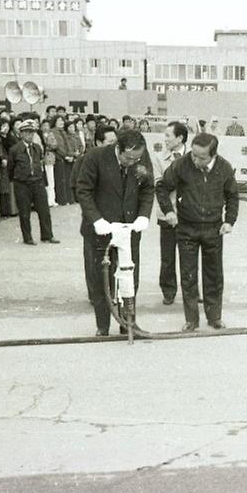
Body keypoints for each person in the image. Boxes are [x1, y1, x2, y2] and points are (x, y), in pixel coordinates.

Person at [156, 133, 238, 331]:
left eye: (201, 158)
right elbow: (162, 187)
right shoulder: (181, 164)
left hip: (213, 229)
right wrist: (168, 210)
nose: (195, 160)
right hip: (186, 228)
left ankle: (214, 317)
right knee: (188, 275)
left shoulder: (224, 168)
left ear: (213, 155)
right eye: (193, 155)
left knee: (214, 275)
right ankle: (191, 320)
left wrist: (229, 221)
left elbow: (232, 196)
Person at [75, 129, 154, 336]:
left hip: (129, 229)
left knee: (129, 277)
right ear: (118, 148)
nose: (132, 162)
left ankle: (128, 322)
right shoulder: (95, 157)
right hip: (101, 229)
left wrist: (143, 215)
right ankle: (102, 325)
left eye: (136, 158)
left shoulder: (140, 156)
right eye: (128, 158)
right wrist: (96, 219)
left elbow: (148, 187)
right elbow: (83, 190)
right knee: (101, 279)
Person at [72, 124, 117, 302]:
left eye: (116, 142)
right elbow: (78, 190)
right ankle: (96, 297)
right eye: (110, 142)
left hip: (114, 220)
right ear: (98, 142)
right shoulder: (84, 161)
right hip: (93, 221)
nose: (114, 145)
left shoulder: (117, 160)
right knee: (93, 262)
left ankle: (111, 294)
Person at [151, 121, 187, 305]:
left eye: (168, 136)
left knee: (190, 256)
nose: (165, 139)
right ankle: (168, 290)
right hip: (168, 215)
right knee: (168, 256)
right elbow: (159, 186)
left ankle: (193, 292)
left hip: (190, 215)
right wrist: (169, 211)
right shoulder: (159, 158)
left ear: (180, 138)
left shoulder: (194, 156)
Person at [7, 119, 60, 246]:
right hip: (22, 183)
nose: (29, 135)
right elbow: (10, 168)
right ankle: (28, 237)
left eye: (32, 132)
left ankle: (47, 235)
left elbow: (39, 163)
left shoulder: (37, 148)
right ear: (21, 134)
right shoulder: (15, 149)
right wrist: (16, 180)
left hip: (37, 181)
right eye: (26, 132)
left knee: (44, 210)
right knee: (24, 212)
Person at [40, 118, 58, 207]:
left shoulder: (51, 134)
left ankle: (52, 199)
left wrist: (48, 143)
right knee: (46, 180)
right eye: (44, 126)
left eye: (47, 125)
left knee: (51, 180)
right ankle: (47, 200)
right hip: (43, 159)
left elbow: (55, 145)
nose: (46, 127)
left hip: (50, 158)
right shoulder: (40, 135)